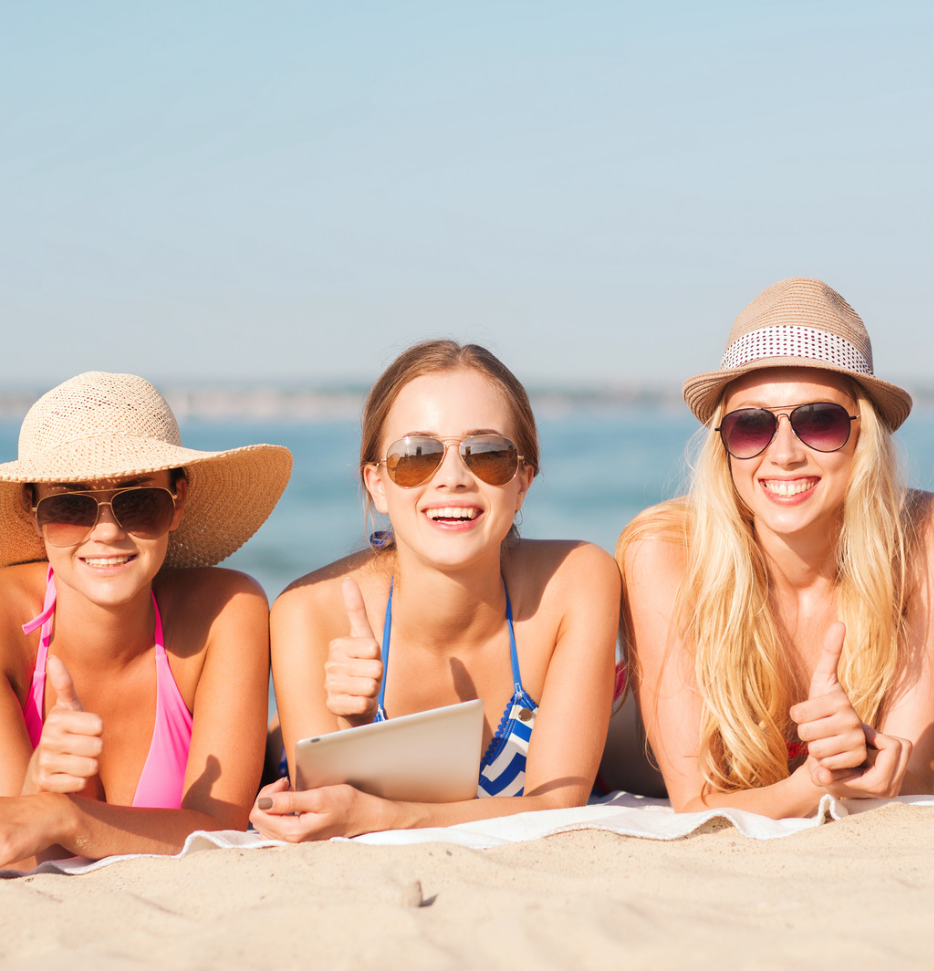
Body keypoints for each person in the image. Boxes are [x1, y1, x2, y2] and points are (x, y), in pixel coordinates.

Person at [252, 340, 620, 841]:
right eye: (416, 455)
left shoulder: (576, 583)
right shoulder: (311, 613)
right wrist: (352, 728)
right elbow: (329, 814)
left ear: (523, 482)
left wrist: (389, 814)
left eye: (487, 454)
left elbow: (558, 803)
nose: (451, 478)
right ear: (377, 484)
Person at [0, 371, 291, 879]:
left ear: (178, 501)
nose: (106, 531)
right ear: (32, 511)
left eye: (137, 501)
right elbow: (11, 846)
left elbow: (220, 829)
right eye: (70, 506)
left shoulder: (227, 610)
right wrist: (39, 784)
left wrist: (61, 813)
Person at [619, 278, 934, 817]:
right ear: (724, 445)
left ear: (865, 437)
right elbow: (696, 804)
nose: (784, 453)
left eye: (819, 420)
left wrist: (860, 760)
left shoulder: (919, 536)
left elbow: (915, 778)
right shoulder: (665, 552)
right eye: (751, 426)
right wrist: (818, 782)